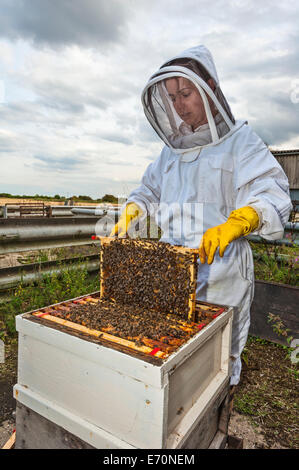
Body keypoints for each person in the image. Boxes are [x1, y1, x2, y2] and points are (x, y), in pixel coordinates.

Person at [110, 45, 292, 385]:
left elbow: (271, 193)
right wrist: (132, 210)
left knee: (216, 361)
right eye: (172, 98)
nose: (180, 105)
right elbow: (148, 191)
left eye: (186, 93)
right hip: (172, 269)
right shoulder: (171, 151)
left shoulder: (241, 142)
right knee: (169, 352)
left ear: (209, 88)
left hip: (221, 271)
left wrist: (238, 222)